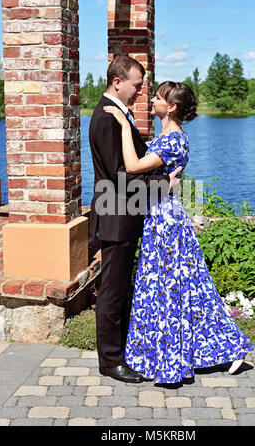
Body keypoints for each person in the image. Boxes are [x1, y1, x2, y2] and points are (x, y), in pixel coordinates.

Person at [103, 80, 254, 384]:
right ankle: (169, 354)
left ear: (170, 107)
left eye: (158, 98)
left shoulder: (173, 141)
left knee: (173, 289)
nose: (152, 101)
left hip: (165, 223)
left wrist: (122, 125)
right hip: (158, 217)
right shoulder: (166, 136)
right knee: (178, 290)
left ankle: (205, 351)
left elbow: (132, 167)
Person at [89, 56, 182, 384]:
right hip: (116, 214)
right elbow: (118, 176)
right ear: (118, 82)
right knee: (113, 291)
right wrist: (164, 184)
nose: (141, 92)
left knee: (119, 288)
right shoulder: (105, 118)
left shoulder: (118, 115)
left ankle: (119, 351)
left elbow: (138, 159)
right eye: (137, 85)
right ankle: (110, 361)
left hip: (125, 213)